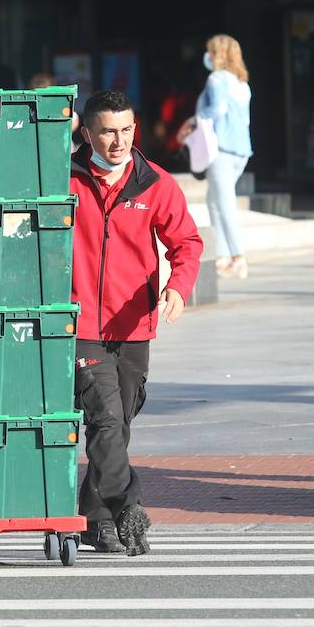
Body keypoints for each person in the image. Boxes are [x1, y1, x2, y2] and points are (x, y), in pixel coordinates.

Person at [71, 89, 203, 556]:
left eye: (126, 129)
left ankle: (94, 519)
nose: (118, 140)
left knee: (118, 426)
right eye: (107, 130)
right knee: (105, 420)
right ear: (86, 133)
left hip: (135, 327)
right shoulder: (64, 181)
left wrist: (177, 288)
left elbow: (187, 242)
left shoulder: (155, 183)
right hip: (81, 323)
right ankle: (129, 506)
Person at [179, 34, 252, 278]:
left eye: (210, 52)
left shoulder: (216, 79)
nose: (207, 57)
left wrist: (190, 122)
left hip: (220, 148)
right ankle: (221, 255)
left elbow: (217, 109)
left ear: (217, 55)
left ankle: (237, 257)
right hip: (241, 149)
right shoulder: (242, 83)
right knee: (214, 199)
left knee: (224, 203)